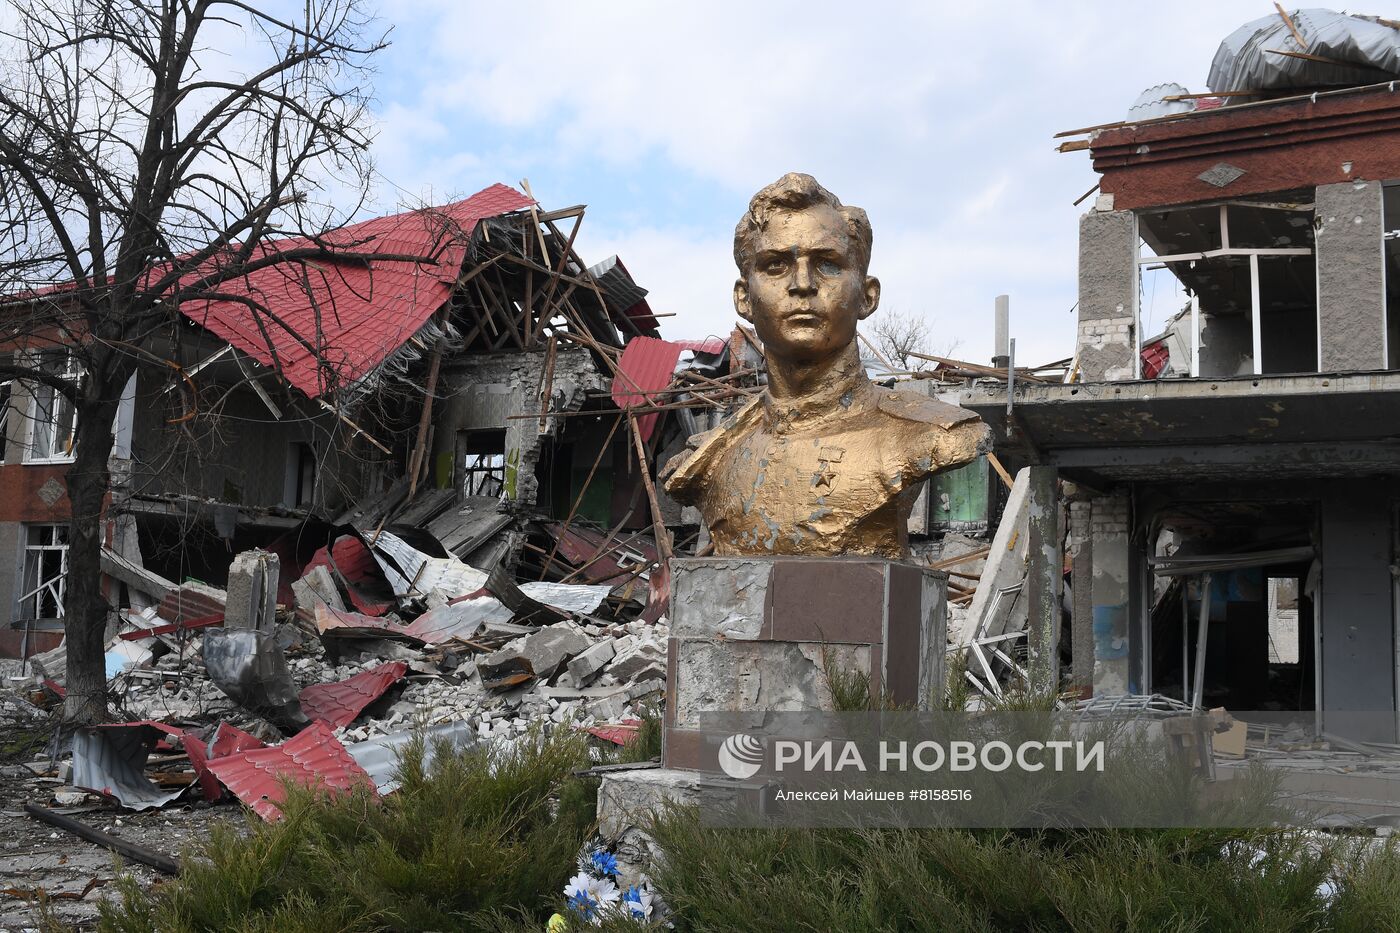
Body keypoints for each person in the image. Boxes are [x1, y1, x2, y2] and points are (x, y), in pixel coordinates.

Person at [662, 173, 989, 559]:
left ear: (867, 296)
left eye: (828, 264)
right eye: (775, 265)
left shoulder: (929, 433)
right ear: (744, 298)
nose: (802, 284)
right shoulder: (710, 458)